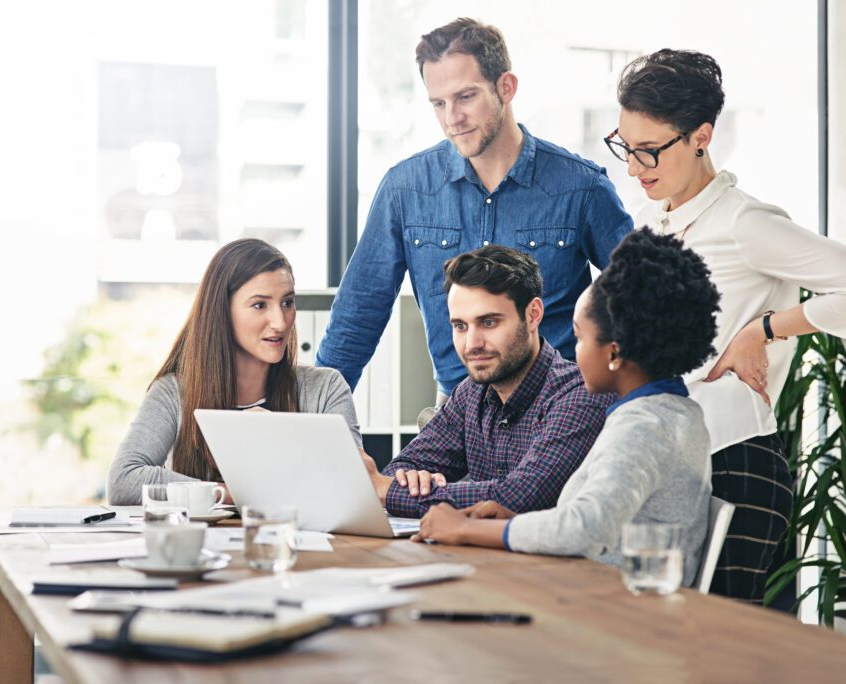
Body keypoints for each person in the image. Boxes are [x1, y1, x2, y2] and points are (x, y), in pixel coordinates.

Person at [607, 49, 846, 603]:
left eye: (649, 151)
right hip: (661, 462)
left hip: (734, 462)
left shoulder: (745, 223)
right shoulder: (647, 223)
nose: (634, 168)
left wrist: (762, 329)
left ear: (701, 136)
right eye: (625, 147)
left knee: (717, 652)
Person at [316, 17, 633, 400]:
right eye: (438, 103)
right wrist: (312, 422)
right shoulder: (405, 190)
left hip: (559, 410)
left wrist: (622, 413)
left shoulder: (581, 186)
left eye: (465, 97)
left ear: (506, 87)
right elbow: (357, 316)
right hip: (456, 413)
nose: (452, 119)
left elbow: (638, 299)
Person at [413, 230, 719, 588]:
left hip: (616, 612)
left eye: (579, 337)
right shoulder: (673, 414)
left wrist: (468, 529)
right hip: (603, 595)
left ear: (614, 352)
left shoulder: (644, 426)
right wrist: (508, 520)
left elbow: (585, 526)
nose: (572, 353)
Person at [360, 244, 612, 518]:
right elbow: (404, 467)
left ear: (533, 314)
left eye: (489, 322)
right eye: (460, 326)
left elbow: (520, 497)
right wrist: (412, 480)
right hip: (482, 557)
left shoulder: (581, 394)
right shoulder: (470, 394)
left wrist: (390, 491)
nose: (472, 344)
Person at [107, 239, 362, 506]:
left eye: (287, 302)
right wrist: (232, 494)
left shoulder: (326, 388)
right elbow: (123, 481)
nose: (280, 322)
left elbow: (355, 487)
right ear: (222, 311)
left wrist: (284, 437)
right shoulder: (173, 393)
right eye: (260, 305)